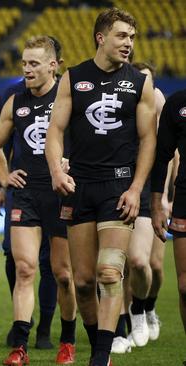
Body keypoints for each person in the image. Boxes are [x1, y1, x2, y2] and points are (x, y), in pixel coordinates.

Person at [45, 8, 156, 366]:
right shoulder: (73, 78)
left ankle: (101, 356)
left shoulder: (140, 83)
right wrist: (56, 171)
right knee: (82, 282)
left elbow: (148, 140)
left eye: (132, 38)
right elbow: (54, 132)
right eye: (122, 36)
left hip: (118, 188)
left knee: (110, 272)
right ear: (101, 37)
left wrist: (137, 188)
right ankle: (99, 348)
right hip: (79, 187)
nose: (129, 43)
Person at [0, 35, 77, 365]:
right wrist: (3, 177)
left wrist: (75, 163)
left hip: (61, 194)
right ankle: (20, 347)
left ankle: (67, 341)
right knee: (25, 269)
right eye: (24, 63)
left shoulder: (69, 99)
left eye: (34, 64)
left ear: (53, 65)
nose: (26, 69)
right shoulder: (16, 101)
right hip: (25, 195)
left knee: (64, 274)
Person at [112, 60, 168, 353]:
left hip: (149, 189)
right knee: (119, 265)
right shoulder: (120, 102)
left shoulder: (157, 102)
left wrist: (164, 198)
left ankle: (145, 307)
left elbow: (168, 155)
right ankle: (122, 327)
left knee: (150, 265)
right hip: (118, 185)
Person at [150, 87, 186, 365]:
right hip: (185, 198)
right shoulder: (177, 103)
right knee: (185, 286)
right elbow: (162, 156)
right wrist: (156, 204)